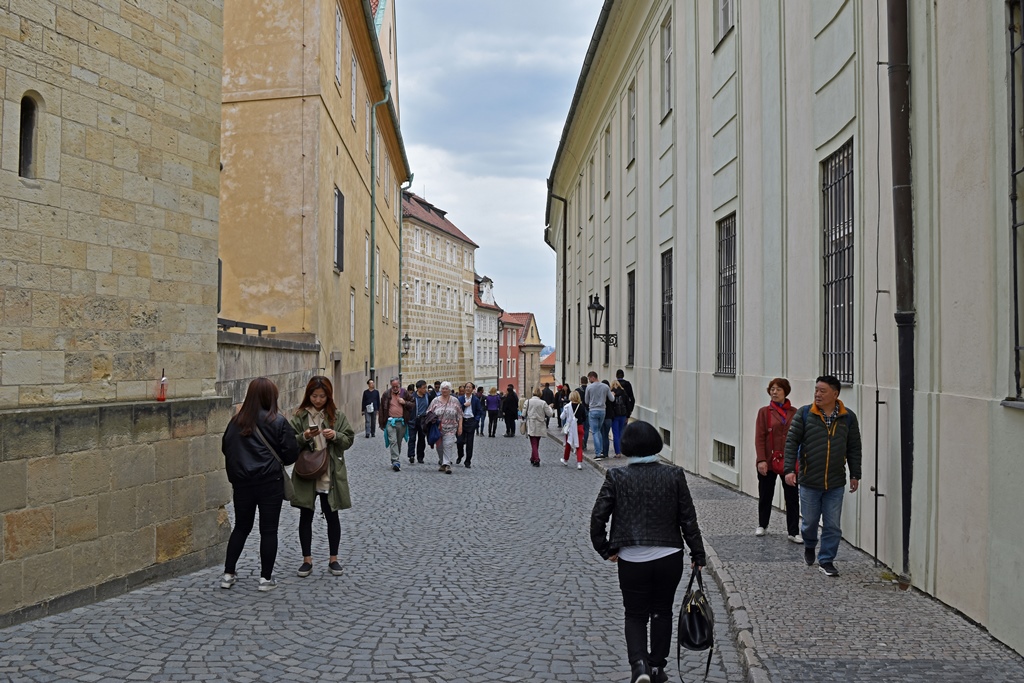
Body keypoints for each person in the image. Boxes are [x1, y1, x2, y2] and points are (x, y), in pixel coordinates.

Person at [591, 421, 706, 683]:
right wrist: (697, 554)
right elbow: (688, 518)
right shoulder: (674, 475)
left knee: (635, 614)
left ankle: (639, 665)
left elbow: (598, 517)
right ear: (656, 443)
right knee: (662, 611)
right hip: (669, 557)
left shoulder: (617, 476)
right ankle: (657, 667)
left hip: (632, 559)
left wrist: (605, 548)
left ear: (627, 446)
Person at [221, 377, 299, 592]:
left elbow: (226, 448)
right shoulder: (278, 421)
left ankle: (228, 574)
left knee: (241, 527)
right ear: (271, 397)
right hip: (269, 483)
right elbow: (291, 454)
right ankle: (265, 579)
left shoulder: (235, 421)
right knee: (269, 529)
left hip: (242, 484)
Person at [784, 375, 862, 578]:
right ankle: (810, 544)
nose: (817, 394)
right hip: (809, 480)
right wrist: (789, 470)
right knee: (809, 522)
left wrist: (855, 474)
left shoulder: (848, 418)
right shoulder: (804, 414)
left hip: (835, 482)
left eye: (822, 391)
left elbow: (854, 448)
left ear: (835, 394)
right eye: (816, 390)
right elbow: (791, 442)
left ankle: (826, 560)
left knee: (833, 525)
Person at [288, 376, 356, 578]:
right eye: (314, 395)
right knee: (305, 516)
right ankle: (306, 560)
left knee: (332, 515)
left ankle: (333, 559)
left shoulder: (336, 415)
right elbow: (290, 442)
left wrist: (335, 435)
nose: (318, 400)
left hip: (329, 473)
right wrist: (304, 437)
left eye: (322, 396)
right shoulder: (300, 417)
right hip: (306, 473)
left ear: (328, 396)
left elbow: (349, 439)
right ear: (308, 395)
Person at [754, 377, 800, 542]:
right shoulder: (764, 412)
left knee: (792, 496)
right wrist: (761, 460)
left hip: (788, 460)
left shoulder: (794, 413)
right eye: (772, 389)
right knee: (766, 493)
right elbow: (760, 437)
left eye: (778, 389)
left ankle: (793, 531)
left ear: (785, 392)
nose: (774, 392)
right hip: (769, 459)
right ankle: (762, 524)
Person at [427, 381, 462, 474]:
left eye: (446, 389)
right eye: (443, 389)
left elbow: (460, 415)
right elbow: (429, 412)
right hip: (438, 428)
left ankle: (447, 464)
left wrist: (460, 427)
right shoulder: (435, 400)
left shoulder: (455, 400)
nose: (444, 390)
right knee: (439, 447)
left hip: (451, 427)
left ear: (450, 390)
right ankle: (443, 461)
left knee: (448, 444)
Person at [379, 376, 413, 471]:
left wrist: (405, 402)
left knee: (398, 442)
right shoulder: (386, 394)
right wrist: (382, 423)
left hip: (401, 421)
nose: (395, 388)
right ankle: (396, 461)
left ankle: (395, 459)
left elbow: (413, 404)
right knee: (392, 441)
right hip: (390, 421)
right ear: (391, 385)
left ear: (399, 385)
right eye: (393, 386)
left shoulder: (404, 393)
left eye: (396, 386)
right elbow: (381, 409)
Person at [523, 386, 554, 466]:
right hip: (540, 423)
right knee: (537, 441)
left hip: (531, 423)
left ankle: (536, 459)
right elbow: (550, 414)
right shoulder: (543, 403)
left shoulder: (528, 401)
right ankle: (533, 458)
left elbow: (523, 414)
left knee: (533, 442)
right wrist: (550, 407)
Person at [456, 381, 484, 467]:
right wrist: (464, 405)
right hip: (462, 421)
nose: (468, 389)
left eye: (469, 387)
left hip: (471, 421)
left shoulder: (475, 399)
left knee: (469, 443)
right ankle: (460, 455)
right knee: (459, 441)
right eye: (466, 387)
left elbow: (479, 411)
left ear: (473, 389)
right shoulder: (460, 399)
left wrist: (476, 421)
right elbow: (457, 410)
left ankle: (468, 461)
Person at [586, 371, 611, 459]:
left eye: (589, 378)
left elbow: (586, 401)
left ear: (593, 377)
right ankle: (601, 451)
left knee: (595, 432)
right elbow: (611, 399)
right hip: (602, 410)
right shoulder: (605, 386)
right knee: (599, 430)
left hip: (593, 410)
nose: (589, 380)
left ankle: (598, 453)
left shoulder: (589, 387)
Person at [559, 390, 586, 470]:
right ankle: (579, 463)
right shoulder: (581, 406)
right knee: (579, 446)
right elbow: (584, 418)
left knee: (568, 444)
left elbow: (562, 417)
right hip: (579, 427)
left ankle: (565, 459)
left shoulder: (567, 406)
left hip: (570, 428)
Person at [407, 380, 431, 464]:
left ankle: (420, 457)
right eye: (424, 388)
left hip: (423, 420)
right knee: (412, 438)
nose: (426, 389)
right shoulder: (412, 397)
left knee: (421, 439)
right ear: (419, 389)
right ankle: (411, 455)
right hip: (413, 420)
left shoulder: (427, 396)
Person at [610, 380, 630, 457]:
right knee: (622, 433)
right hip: (623, 415)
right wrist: (628, 416)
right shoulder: (624, 393)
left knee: (616, 434)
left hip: (615, 416)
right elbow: (628, 405)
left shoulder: (612, 393)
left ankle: (618, 452)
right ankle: (623, 449)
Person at [577, 376, 591, 450]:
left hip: (579, 410)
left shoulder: (577, 390)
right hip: (588, 409)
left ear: (581, 381)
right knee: (586, 428)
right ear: (587, 381)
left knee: (580, 427)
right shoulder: (590, 389)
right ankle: (584, 443)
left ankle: (580, 441)